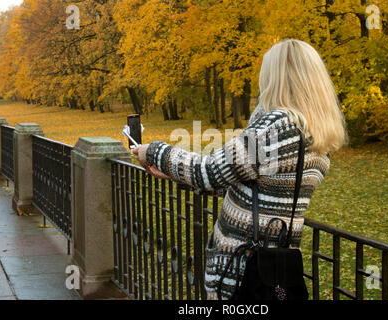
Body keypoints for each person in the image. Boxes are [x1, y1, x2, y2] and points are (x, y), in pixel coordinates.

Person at [132, 39, 349, 300]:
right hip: (274, 268)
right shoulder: (317, 133)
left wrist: (155, 151)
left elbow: (211, 170)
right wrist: (173, 173)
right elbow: (252, 186)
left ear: (277, 77)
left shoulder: (278, 126)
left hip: (241, 268)